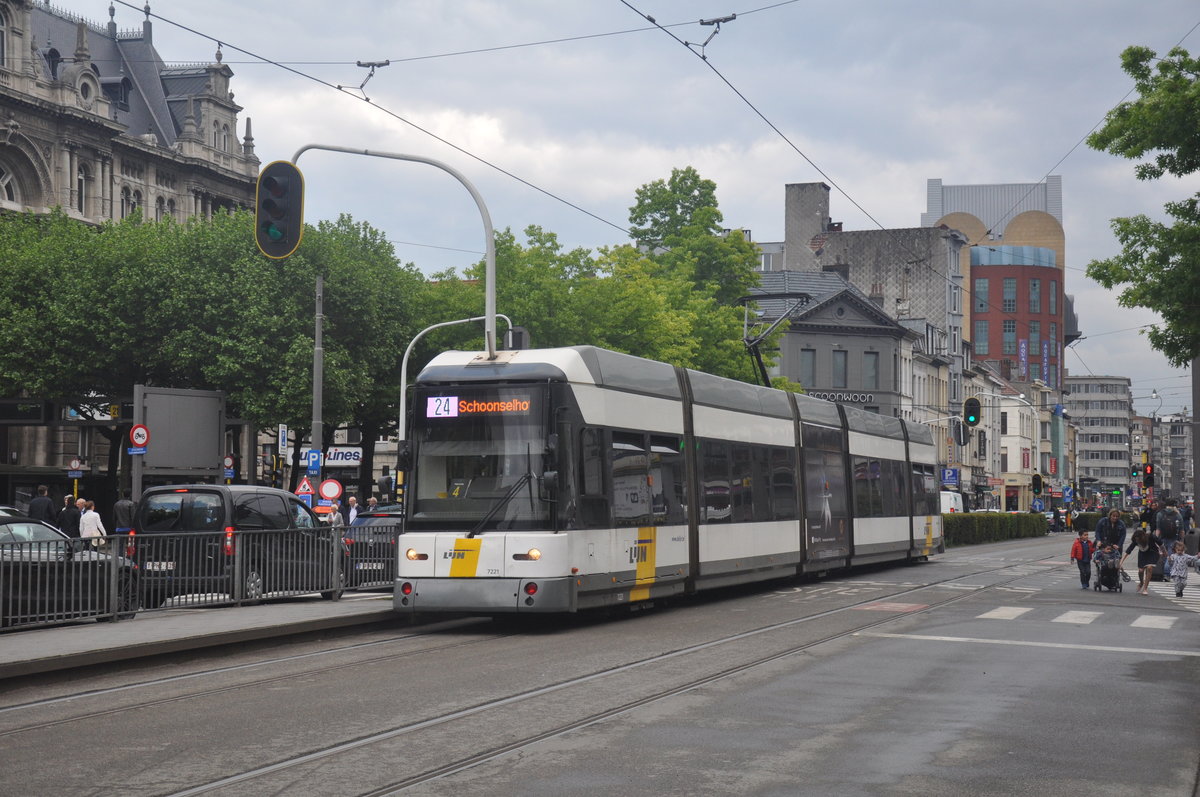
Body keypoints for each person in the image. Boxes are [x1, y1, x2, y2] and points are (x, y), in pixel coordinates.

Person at [1121, 528, 1165, 596]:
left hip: (1152, 553)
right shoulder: (1136, 540)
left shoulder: (1150, 537)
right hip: (1142, 554)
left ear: (1142, 538)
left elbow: (1161, 543)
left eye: (1139, 540)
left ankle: (1145, 589)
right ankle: (1141, 582)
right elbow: (1128, 551)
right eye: (1136, 540)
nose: (1138, 541)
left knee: (1149, 568)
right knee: (1141, 571)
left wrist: (1165, 553)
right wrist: (1121, 562)